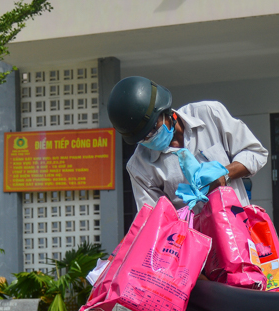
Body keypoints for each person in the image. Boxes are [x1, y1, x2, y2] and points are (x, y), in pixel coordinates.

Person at [107, 76, 268, 211]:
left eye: (152, 129)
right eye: (143, 138)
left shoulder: (209, 115)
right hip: (194, 245)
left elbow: (256, 153)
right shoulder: (139, 167)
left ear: (165, 111)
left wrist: (225, 174)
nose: (149, 138)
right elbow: (154, 222)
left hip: (237, 234)